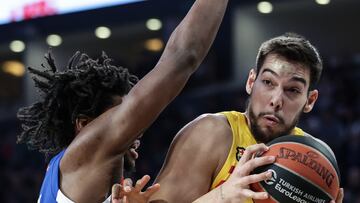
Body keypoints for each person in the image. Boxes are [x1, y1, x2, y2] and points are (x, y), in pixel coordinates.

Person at [16, 0, 230, 202]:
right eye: (121, 113)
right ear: (84, 125)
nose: (138, 126)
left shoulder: (70, 173)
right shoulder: (83, 154)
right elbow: (182, 58)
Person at [144, 33, 344, 203]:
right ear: (250, 82)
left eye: (292, 90)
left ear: (310, 100)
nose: (276, 100)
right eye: (268, 82)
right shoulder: (211, 134)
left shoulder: (316, 162)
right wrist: (220, 196)